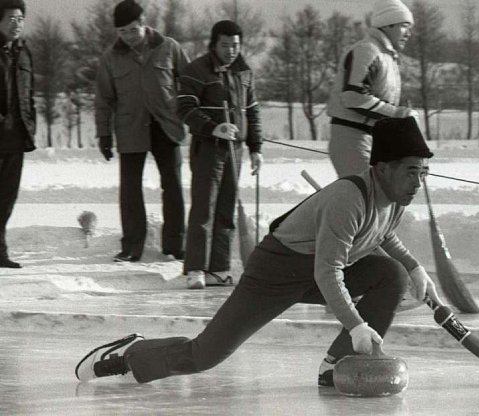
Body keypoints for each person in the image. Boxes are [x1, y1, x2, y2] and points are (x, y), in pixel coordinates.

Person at [75, 116, 442, 387]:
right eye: (412, 171)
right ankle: (128, 355)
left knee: (390, 275)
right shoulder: (350, 197)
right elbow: (328, 272)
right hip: (276, 271)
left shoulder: (394, 198)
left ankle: (337, 366)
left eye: (423, 172)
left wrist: (412, 266)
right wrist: (356, 325)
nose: (418, 182)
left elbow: (380, 234)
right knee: (204, 356)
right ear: (382, 168)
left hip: (315, 270)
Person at [94, 0, 189, 262]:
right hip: (130, 127)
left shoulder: (168, 47)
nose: (128, 37)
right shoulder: (110, 58)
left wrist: (189, 115)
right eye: (122, 32)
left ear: (144, 24)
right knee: (130, 189)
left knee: (172, 186)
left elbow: (190, 83)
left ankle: (174, 245)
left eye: (132, 30)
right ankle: (132, 246)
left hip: (166, 126)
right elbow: (103, 99)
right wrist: (103, 134)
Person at [176, 20, 263, 289]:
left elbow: (252, 112)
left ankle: (219, 268)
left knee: (226, 210)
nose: (231, 51)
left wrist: (256, 148)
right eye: (225, 45)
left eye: (235, 45)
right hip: (208, 149)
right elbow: (185, 109)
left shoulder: (244, 73)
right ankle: (195, 269)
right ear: (214, 44)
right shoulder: (196, 70)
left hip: (235, 150)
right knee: (204, 208)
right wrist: (214, 128)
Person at [326, 0, 417, 178]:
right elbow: (353, 96)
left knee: (379, 198)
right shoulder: (367, 50)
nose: (409, 34)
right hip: (352, 137)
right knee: (366, 196)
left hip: (373, 137)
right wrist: (398, 114)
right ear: (387, 24)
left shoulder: (387, 56)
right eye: (404, 26)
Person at [0, 0, 34, 269]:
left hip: (16, 138)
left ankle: (0, 251)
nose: (17, 23)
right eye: (11, 18)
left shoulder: (23, 53)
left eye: (21, 18)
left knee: (7, 198)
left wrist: (30, 124)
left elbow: (28, 94)